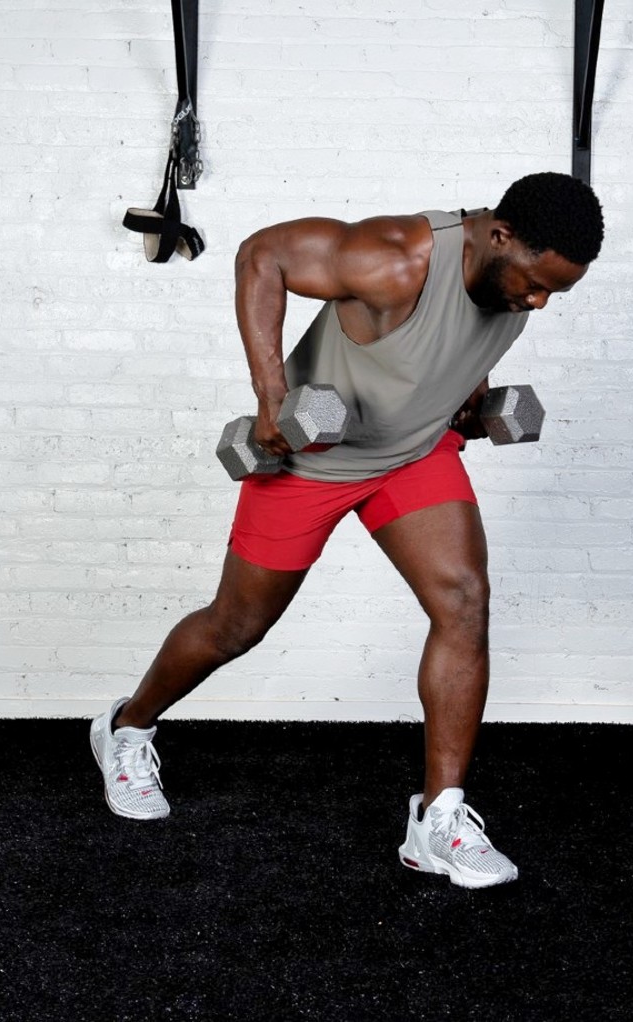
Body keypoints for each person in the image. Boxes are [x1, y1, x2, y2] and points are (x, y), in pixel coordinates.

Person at [91, 172, 604, 888]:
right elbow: (261, 255)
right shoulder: (394, 258)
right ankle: (128, 727)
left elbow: (444, 354)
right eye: (534, 284)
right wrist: (271, 394)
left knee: (463, 601)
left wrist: (468, 400)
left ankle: (439, 819)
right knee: (236, 626)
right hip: (311, 460)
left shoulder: (509, 280)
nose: (539, 303)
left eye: (555, 293)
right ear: (500, 236)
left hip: (411, 455)